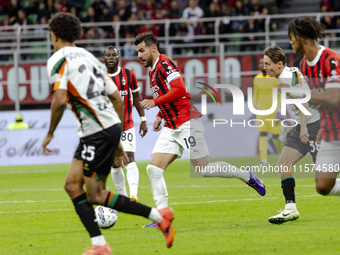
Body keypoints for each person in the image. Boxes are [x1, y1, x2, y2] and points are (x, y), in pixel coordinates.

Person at [42, 13, 175, 255]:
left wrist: (50, 133)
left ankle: (101, 244)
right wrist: (116, 134)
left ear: (55, 34)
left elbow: (59, 99)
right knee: (83, 189)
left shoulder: (57, 60)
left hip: (95, 131)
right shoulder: (90, 59)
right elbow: (116, 97)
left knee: (83, 189)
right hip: (111, 127)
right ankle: (156, 218)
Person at [134, 33, 266, 227]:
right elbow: (169, 95)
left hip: (187, 123)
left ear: (153, 48)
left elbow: (180, 90)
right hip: (171, 127)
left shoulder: (165, 64)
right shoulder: (152, 71)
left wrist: (154, 103)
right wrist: (161, 116)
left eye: (142, 50)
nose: (139, 55)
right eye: (137, 52)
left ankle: (246, 175)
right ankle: (163, 217)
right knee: (153, 168)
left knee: (203, 169)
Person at [263, 45, 321, 224]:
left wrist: (302, 127)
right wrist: (296, 126)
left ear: (279, 64)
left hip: (315, 125)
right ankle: (290, 209)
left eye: (268, 64)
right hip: (306, 123)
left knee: (326, 176)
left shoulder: (285, 81)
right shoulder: (289, 72)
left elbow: (303, 102)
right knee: (283, 163)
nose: (265, 67)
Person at [288, 16, 340, 197]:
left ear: (299, 37)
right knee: (323, 186)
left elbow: (334, 98)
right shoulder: (303, 64)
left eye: (291, 37)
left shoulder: (331, 59)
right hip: (330, 131)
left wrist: (303, 95)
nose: (290, 41)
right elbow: (319, 99)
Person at [103, 46, 148, 202]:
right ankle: (123, 199)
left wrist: (143, 119)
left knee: (129, 158)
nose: (110, 57)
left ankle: (133, 195)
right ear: (103, 58)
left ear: (118, 58)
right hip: (108, 128)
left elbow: (136, 97)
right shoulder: (99, 78)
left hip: (126, 125)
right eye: (108, 55)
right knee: (115, 164)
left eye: (113, 55)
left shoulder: (128, 75)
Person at [252, 58, 283, 167]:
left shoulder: (276, 78)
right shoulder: (256, 79)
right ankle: (264, 161)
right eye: (261, 63)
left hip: (274, 111)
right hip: (261, 110)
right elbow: (256, 94)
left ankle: (284, 158)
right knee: (262, 134)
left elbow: (280, 94)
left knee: (276, 136)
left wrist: (280, 109)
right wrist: (253, 108)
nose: (263, 65)